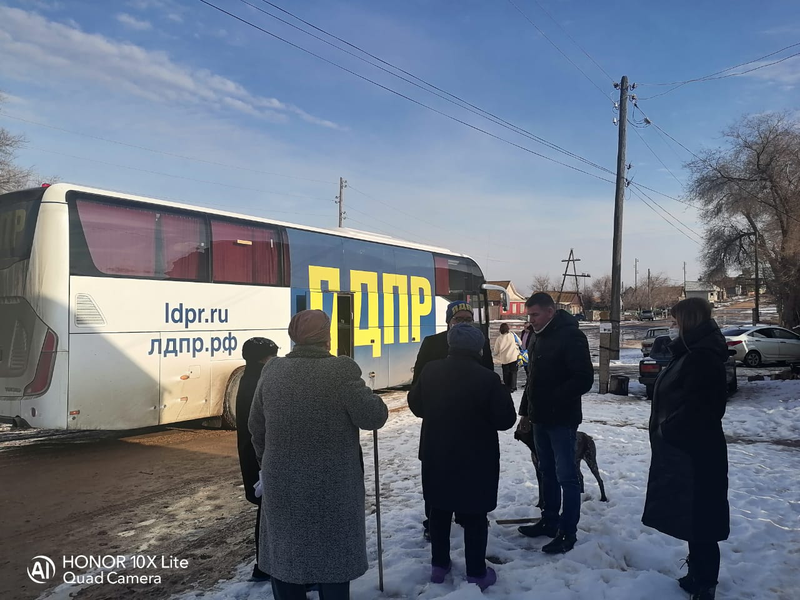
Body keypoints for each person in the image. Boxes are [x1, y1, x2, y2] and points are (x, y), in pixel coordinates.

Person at [249, 310, 389, 600]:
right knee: (333, 558)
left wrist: (269, 463)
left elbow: (256, 427)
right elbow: (373, 417)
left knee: (286, 555)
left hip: (283, 483)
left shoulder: (272, 370)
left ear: (294, 336)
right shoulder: (339, 370)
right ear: (326, 336)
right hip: (333, 485)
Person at [408, 324, 516, 591]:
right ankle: (477, 572)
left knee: (439, 508)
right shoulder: (487, 379)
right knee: (475, 514)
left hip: (437, 451)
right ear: (478, 348)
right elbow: (505, 420)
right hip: (475, 457)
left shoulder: (431, 371)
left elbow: (415, 404)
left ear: (450, 345)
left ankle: (439, 565)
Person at [642, 298, 730, 600]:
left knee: (703, 522)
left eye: (675, 320)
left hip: (698, 454)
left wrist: (669, 429)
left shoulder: (702, 357)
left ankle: (706, 584)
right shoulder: (689, 352)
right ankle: (696, 575)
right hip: (687, 451)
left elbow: (702, 409)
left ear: (688, 321)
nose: (671, 326)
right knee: (693, 518)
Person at [410, 300, 495, 541]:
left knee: (469, 472)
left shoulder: (481, 343)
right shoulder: (432, 343)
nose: (464, 323)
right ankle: (434, 520)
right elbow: (418, 383)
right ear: (448, 321)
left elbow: (488, 376)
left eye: (468, 319)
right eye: (459, 319)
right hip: (439, 424)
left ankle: (468, 515)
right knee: (436, 475)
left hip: (472, 426)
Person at [516, 292, 593, 553]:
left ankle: (567, 532)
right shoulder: (537, 336)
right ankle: (549, 520)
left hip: (561, 420)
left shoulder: (571, 336)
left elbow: (583, 379)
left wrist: (553, 399)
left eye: (535, 314)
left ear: (550, 311)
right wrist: (525, 412)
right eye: (529, 315)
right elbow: (532, 378)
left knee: (566, 476)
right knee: (545, 472)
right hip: (539, 418)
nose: (531, 320)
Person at [235, 337, 279, 582]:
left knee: (267, 509)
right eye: (273, 355)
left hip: (251, 454)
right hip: (261, 456)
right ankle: (264, 566)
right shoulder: (261, 382)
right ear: (264, 358)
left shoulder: (248, 378)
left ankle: (264, 565)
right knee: (270, 512)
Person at [493, 322, 522, 391]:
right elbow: (520, 342)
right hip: (513, 357)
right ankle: (513, 386)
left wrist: (496, 354)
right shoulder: (512, 335)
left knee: (506, 373)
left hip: (504, 358)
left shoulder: (499, 338)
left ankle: (507, 386)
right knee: (514, 372)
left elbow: (496, 350)